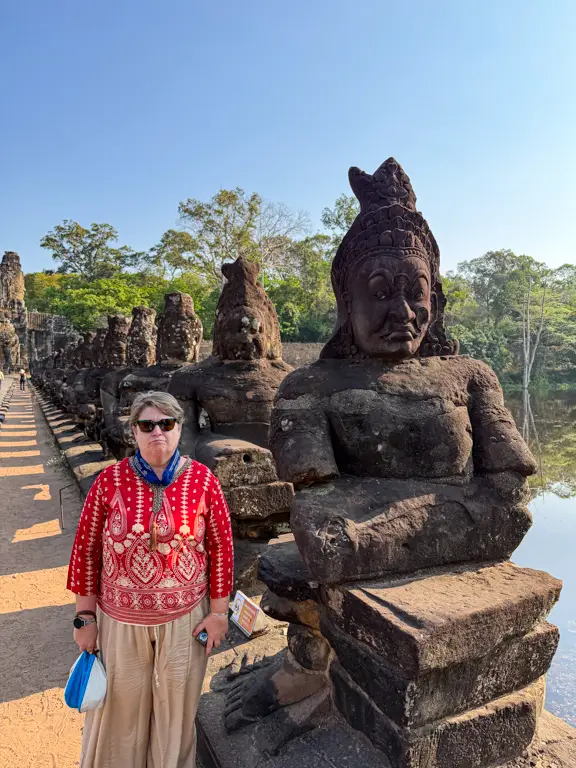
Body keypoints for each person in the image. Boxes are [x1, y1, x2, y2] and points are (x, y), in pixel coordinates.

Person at [67, 391, 234, 768]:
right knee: (119, 715)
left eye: (166, 424)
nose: (157, 431)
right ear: (134, 433)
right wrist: (85, 618)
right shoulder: (108, 482)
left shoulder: (204, 481)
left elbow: (221, 549)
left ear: (179, 429)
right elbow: (86, 553)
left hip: (186, 622)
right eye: (147, 425)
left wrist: (219, 613)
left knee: (176, 716)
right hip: (120, 621)